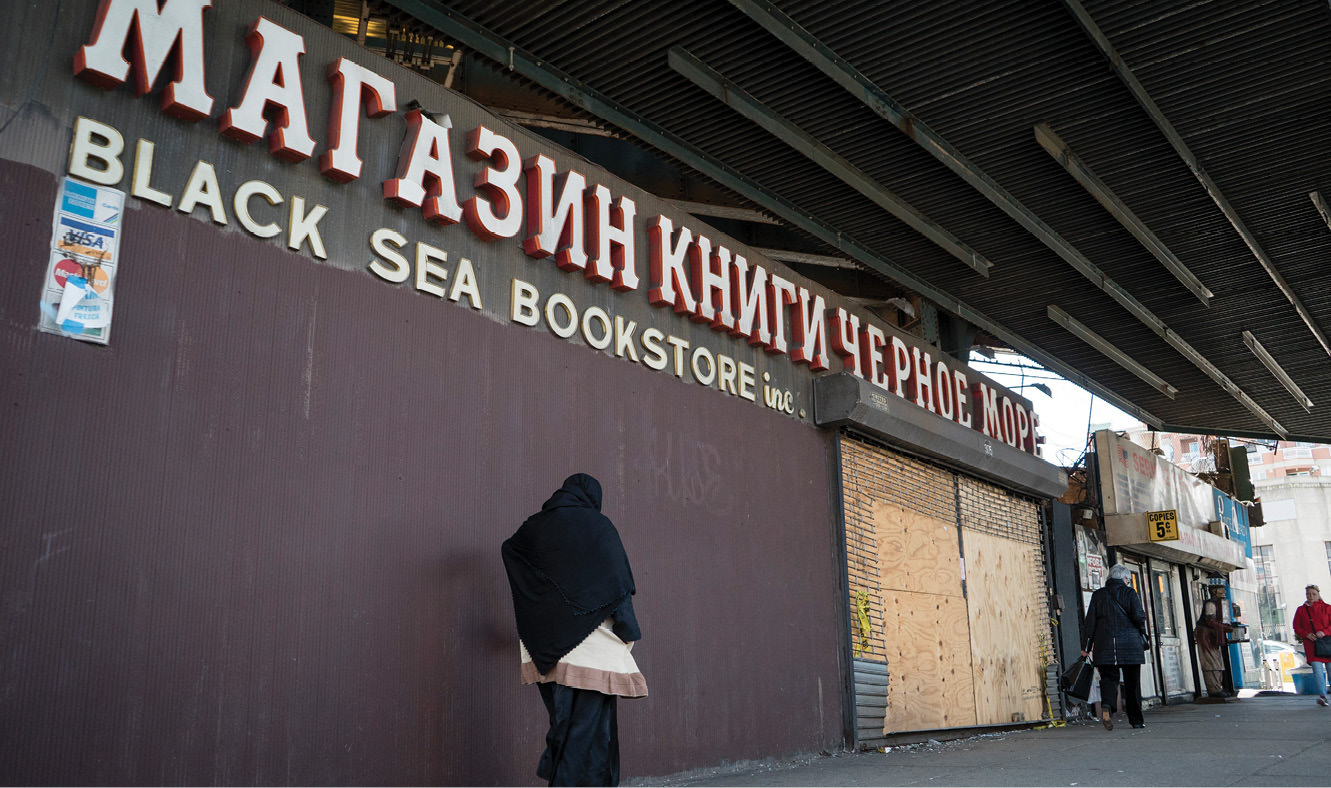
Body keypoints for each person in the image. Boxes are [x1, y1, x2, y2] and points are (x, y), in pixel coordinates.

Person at [502, 473, 647, 786]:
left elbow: (509, 549)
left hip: (542, 651)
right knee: (585, 736)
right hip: (590, 650)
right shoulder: (598, 527)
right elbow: (617, 584)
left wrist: (538, 615)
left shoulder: (534, 527)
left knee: (566, 728)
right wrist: (627, 630)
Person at [1081, 564, 1149, 730]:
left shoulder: (1098, 595)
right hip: (1130, 645)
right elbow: (1139, 617)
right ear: (1125, 579)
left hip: (1105, 645)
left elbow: (1090, 623)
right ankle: (1136, 720)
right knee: (1132, 683)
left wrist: (1087, 647)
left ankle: (1107, 706)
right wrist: (1142, 631)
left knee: (1109, 678)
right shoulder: (1130, 593)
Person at [1292, 584, 1331, 706]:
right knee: (1317, 670)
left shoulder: (1327, 608)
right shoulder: (1301, 610)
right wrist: (1306, 634)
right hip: (1312, 645)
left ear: (1318, 594)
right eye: (1308, 594)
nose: (1311, 596)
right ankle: (1323, 696)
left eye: (1313, 594)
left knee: (1330, 670)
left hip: (1327, 643)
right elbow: (1296, 626)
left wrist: (1324, 632)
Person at [1195, 585, 1235, 698]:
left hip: (1212, 635)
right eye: (1221, 589)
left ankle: (1218, 686)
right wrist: (1223, 627)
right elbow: (1210, 621)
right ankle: (1213, 689)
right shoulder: (1210, 604)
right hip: (1206, 635)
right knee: (1210, 661)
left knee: (1217, 661)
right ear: (1214, 591)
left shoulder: (1219, 603)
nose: (1224, 591)